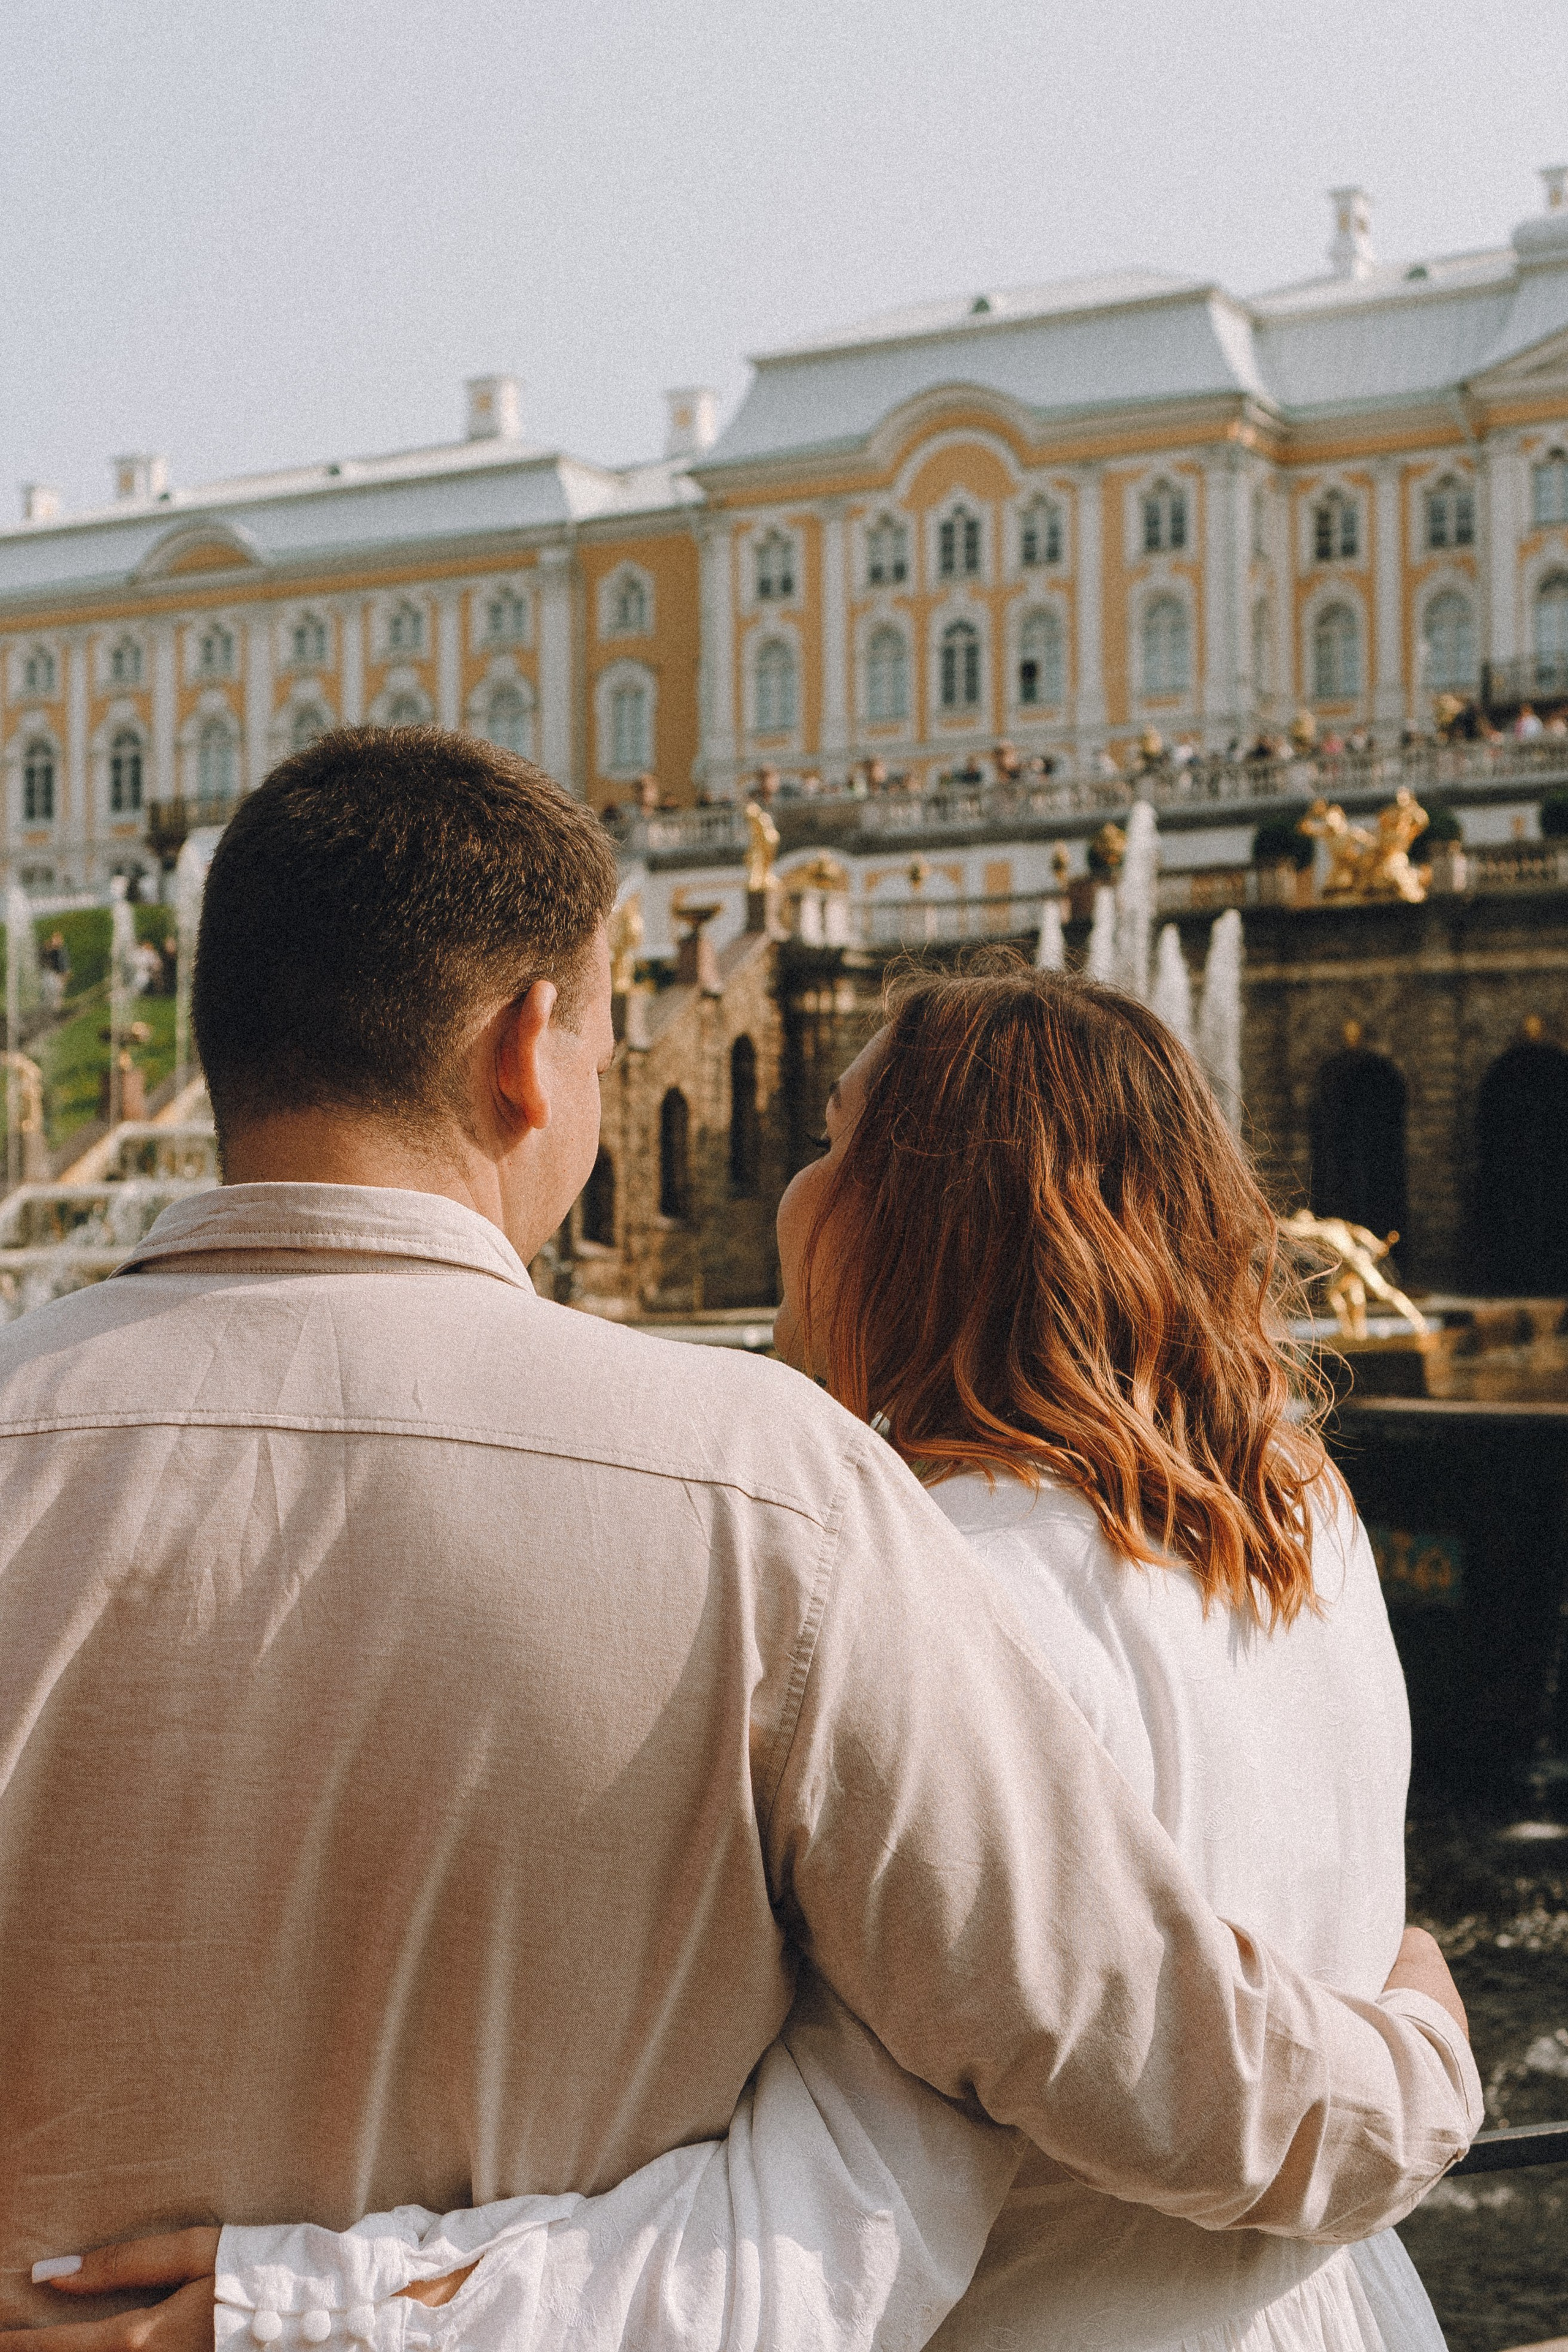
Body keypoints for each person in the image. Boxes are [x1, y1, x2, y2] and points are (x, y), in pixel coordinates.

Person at [4, 736, 1475, 2351]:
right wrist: (1417, 2048)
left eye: (830, 1148)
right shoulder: (793, 1497)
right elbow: (1042, 2116)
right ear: (528, 1053)